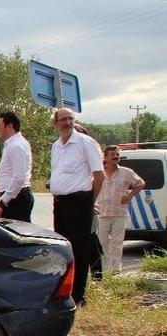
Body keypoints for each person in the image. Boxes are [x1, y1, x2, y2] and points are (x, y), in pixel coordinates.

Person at [50, 108, 105, 305]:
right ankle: (66, 291)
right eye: (63, 119)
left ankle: (79, 296)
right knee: (63, 249)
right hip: (61, 203)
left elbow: (99, 175)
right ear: (55, 124)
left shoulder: (85, 143)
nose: (67, 122)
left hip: (79, 202)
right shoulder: (56, 146)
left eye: (70, 118)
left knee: (79, 249)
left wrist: (91, 201)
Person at [97, 145, 145, 272]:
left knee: (117, 243)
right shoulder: (99, 172)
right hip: (102, 213)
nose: (115, 157)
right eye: (112, 154)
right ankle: (108, 265)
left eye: (117, 154)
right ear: (105, 157)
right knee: (103, 242)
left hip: (120, 213)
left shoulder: (126, 172)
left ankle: (115, 269)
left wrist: (129, 196)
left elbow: (140, 183)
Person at [0, 111, 34, 222]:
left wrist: (6, 199)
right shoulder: (12, 144)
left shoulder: (16, 145)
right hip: (15, 197)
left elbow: (19, 177)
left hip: (16, 198)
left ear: (10, 126)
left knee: (16, 236)